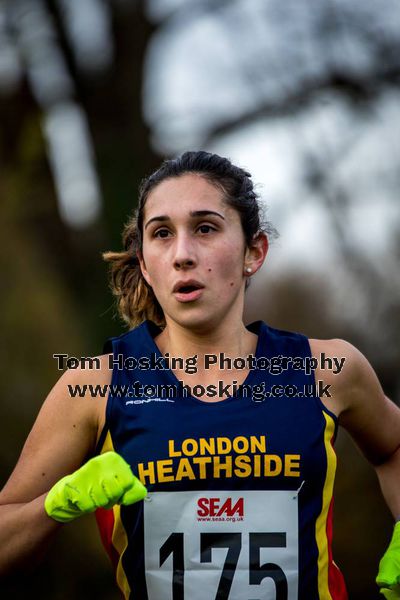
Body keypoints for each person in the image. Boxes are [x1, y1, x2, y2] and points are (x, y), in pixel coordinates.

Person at [0, 151, 399, 599]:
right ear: (146, 265)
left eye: (205, 228)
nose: (182, 255)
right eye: (162, 234)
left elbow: (393, 447)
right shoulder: (95, 387)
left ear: (254, 251)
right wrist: (54, 507)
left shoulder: (327, 370)